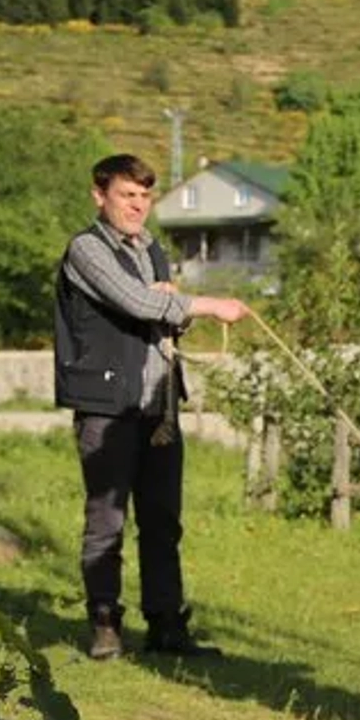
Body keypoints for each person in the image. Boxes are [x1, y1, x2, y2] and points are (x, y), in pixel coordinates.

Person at [54, 154, 249, 660]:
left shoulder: (153, 250)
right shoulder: (86, 250)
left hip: (159, 406)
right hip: (107, 405)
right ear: (100, 196)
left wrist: (175, 307)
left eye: (144, 196)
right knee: (107, 520)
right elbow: (137, 304)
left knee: (163, 520)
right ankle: (104, 625)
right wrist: (203, 305)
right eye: (127, 195)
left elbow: (160, 317)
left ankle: (166, 625)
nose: (138, 206)